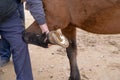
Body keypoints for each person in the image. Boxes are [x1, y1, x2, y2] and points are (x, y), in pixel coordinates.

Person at [0, 0, 50, 79]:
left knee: (20, 42)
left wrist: (45, 30)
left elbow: (34, 1)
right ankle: (4, 55)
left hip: (9, 16)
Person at [0, 0, 25, 67]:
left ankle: (18, 58)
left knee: (18, 35)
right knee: (5, 32)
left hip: (17, 4)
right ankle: (5, 55)